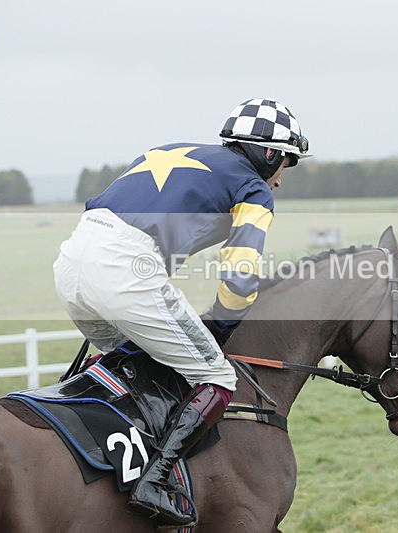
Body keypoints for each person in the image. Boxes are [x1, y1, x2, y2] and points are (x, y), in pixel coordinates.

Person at [53, 98, 309, 526]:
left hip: (71, 262)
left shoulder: (173, 149)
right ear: (269, 154)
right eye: (287, 163)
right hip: (125, 271)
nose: (281, 179)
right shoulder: (255, 188)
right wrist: (221, 328)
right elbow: (241, 275)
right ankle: (153, 480)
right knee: (217, 375)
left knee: (141, 361)